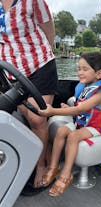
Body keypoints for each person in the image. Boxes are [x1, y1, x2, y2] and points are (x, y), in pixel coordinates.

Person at [38, 51, 101, 197]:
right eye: (79, 68)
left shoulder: (100, 93)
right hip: (80, 122)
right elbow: (80, 108)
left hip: (95, 127)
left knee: (73, 136)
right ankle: (53, 167)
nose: (80, 72)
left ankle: (66, 174)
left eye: (85, 69)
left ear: (99, 74)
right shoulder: (84, 86)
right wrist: (69, 110)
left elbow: (81, 108)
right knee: (61, 131)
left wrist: (53, 110)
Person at [0, 0, 58, 189]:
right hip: (10, 69)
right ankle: (35, 154)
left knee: (37, 119)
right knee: (21, 118)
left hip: (39, 65)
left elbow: (48, 27)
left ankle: (40, 166)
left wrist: (45, 52)